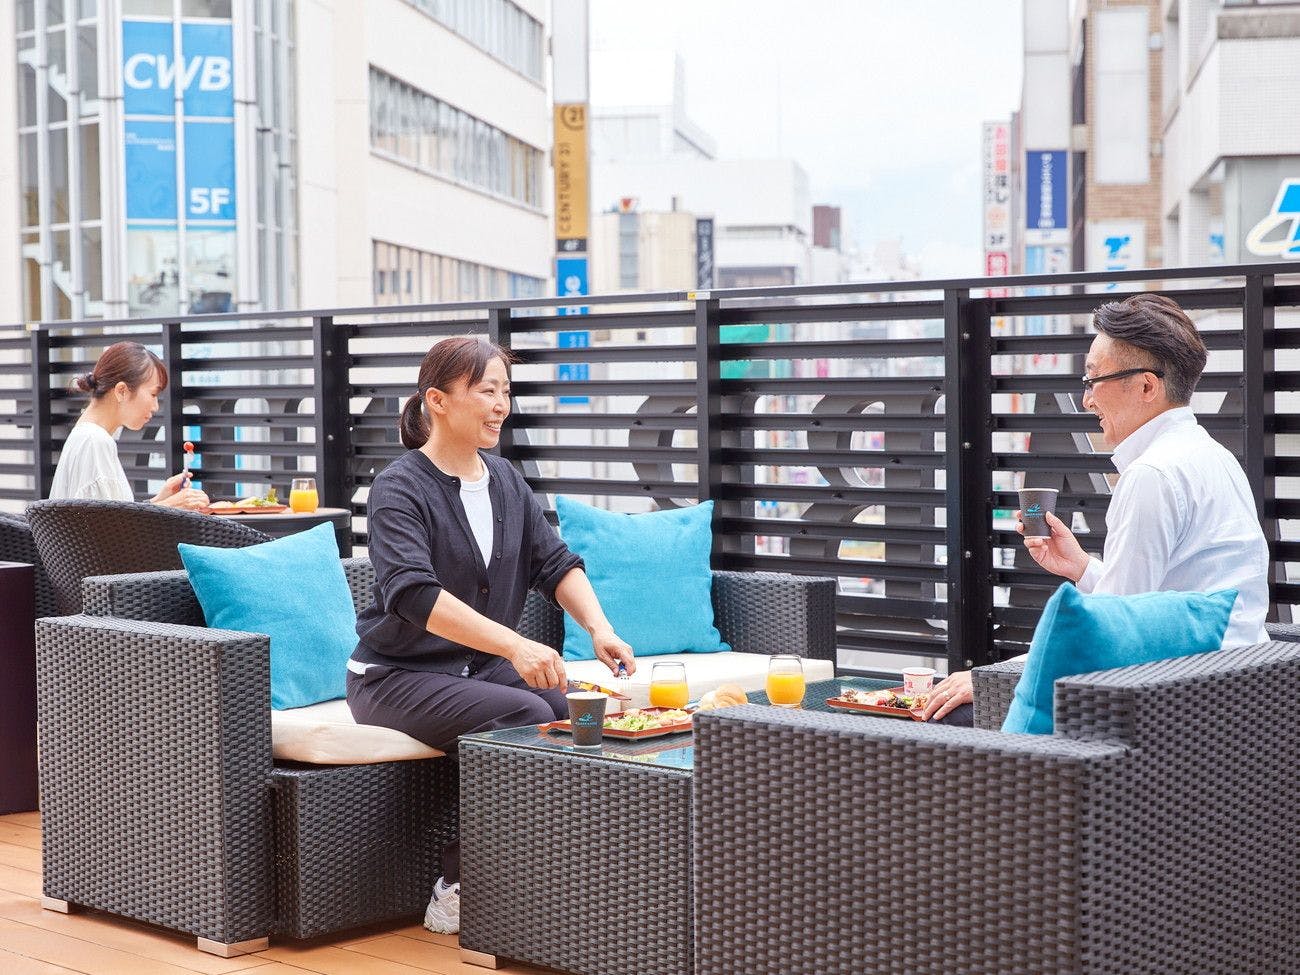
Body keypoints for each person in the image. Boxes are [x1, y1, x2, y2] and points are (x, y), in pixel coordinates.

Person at [346, 336, 636, 934]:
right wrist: (515, 645)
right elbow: (413, 596)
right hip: (395, 676)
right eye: (487, 391)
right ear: (439, 400)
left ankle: (561, 869)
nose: (501, 404)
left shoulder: (504, 479)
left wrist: (600, 629)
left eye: (506, 390)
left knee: (580, 711)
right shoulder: (399, 487)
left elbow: (555, 563)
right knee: (524, 713)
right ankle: (458, 886)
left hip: (473, 670)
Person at [923, 293, 1269, 724]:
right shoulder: (1210, 456)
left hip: (1172, 704)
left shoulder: (1153, 475)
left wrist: (995, 677)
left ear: (1146, 386)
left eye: (1093, 380)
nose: (1087, 400)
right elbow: (1151, 604)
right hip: (1231, 691)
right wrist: (1081, 567)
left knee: (941, 714)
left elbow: (1111, 634)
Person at [48, 341, 209, 509]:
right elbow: (110, 532)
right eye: (153, 394)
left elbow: (111, 518)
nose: (155, 406)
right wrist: (170, 507)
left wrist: (158, 502)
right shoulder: (95, 442)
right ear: (121, 391)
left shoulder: (86, 436)